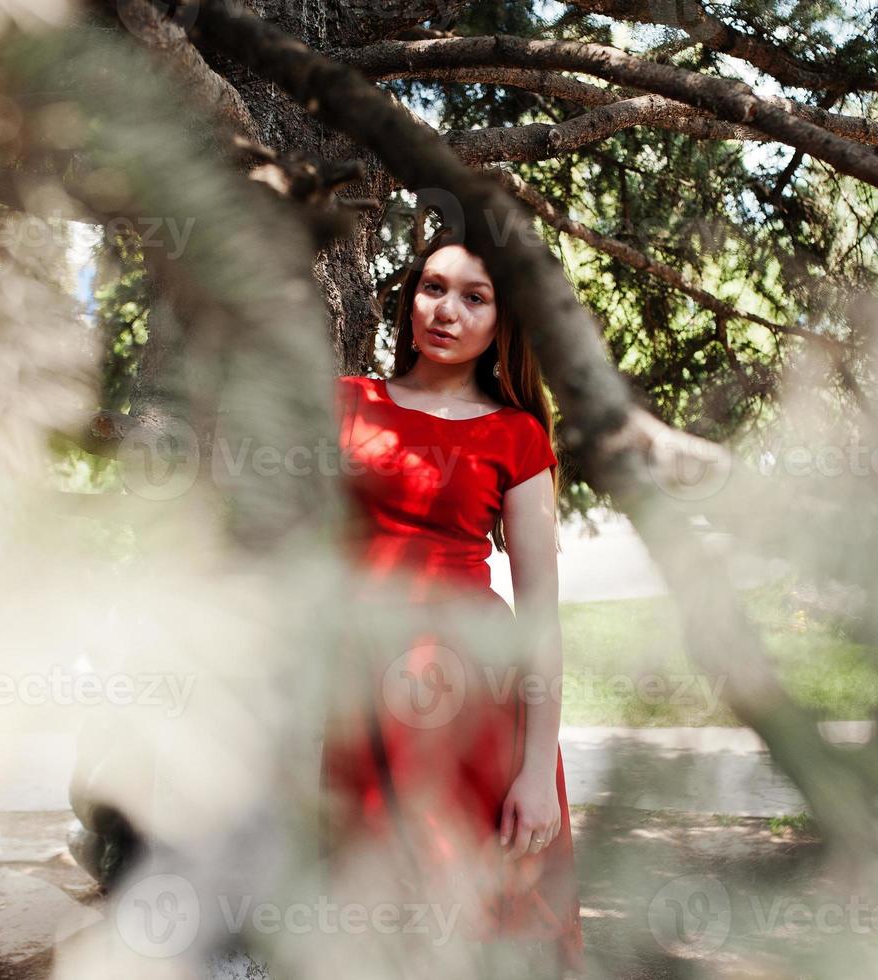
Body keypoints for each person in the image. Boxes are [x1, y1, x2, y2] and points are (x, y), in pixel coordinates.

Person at [318, 225, 584, 980]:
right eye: (433, 288)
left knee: (490, 914)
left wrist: (536, 774)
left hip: (475, 697)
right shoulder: (346, 403)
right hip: (358, 686)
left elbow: (539, 617)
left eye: (475, 298)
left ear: (503, 322)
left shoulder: (518, 435)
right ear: (409, 300)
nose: (446, 311)